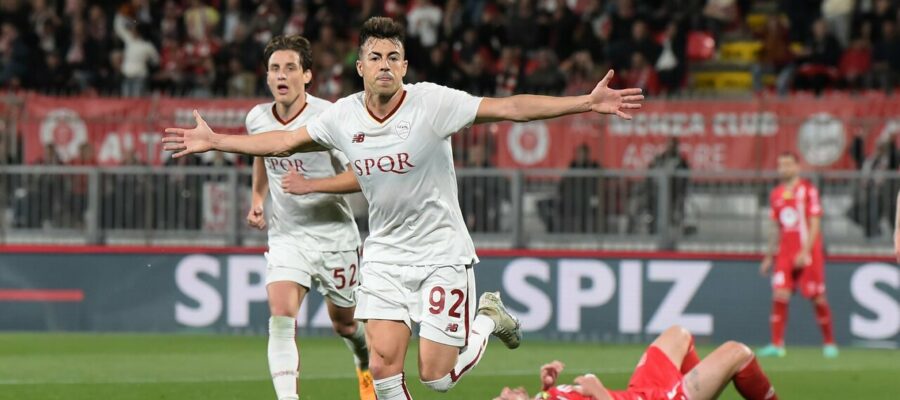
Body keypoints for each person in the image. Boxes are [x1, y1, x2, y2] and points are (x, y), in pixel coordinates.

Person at [163, 17, 643, 399]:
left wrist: (584, 103)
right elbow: (285, 140)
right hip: (385, 254)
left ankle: (487, 318)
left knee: (435, 377)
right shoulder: (343, 115)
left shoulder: (432, 104)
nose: (385, 65)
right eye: (375, 57)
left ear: (405, 66)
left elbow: (510, 108)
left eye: (394, 56)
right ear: (360, 67)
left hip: (441, 253)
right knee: (383, 369)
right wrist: (217, 141)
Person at [244, 35, 374, 400]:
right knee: (281, 319)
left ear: (307, 76)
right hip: (287, 237)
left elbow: (361, 177)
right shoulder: (257, 119)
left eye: (289, 68)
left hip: (334, 237)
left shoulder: (329, 118)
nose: (281, 75)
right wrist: (258, 197)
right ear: (267, 77)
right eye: (274, 68)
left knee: (345, 325)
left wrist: (311, 185)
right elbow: (261, 154)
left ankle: (365, 365)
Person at [492, 325, 778, 400]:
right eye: (503, 399)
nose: (505, 390)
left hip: (640, 390)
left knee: (677, 335)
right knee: (737, 352)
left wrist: (547, 387)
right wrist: (599, 391)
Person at [758, 152, 838, 358]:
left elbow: (815, 223)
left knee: (817, 297)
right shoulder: (776, 194)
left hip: (807, 252)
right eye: (780, 165)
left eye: (787, 165)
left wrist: (805, 251)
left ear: (797, 167)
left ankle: (829, 343)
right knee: (779, 295)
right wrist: (769, 256)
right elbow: (775, 227)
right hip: (784, 253)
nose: (783, 169)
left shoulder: (808, 191)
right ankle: (777, 344)